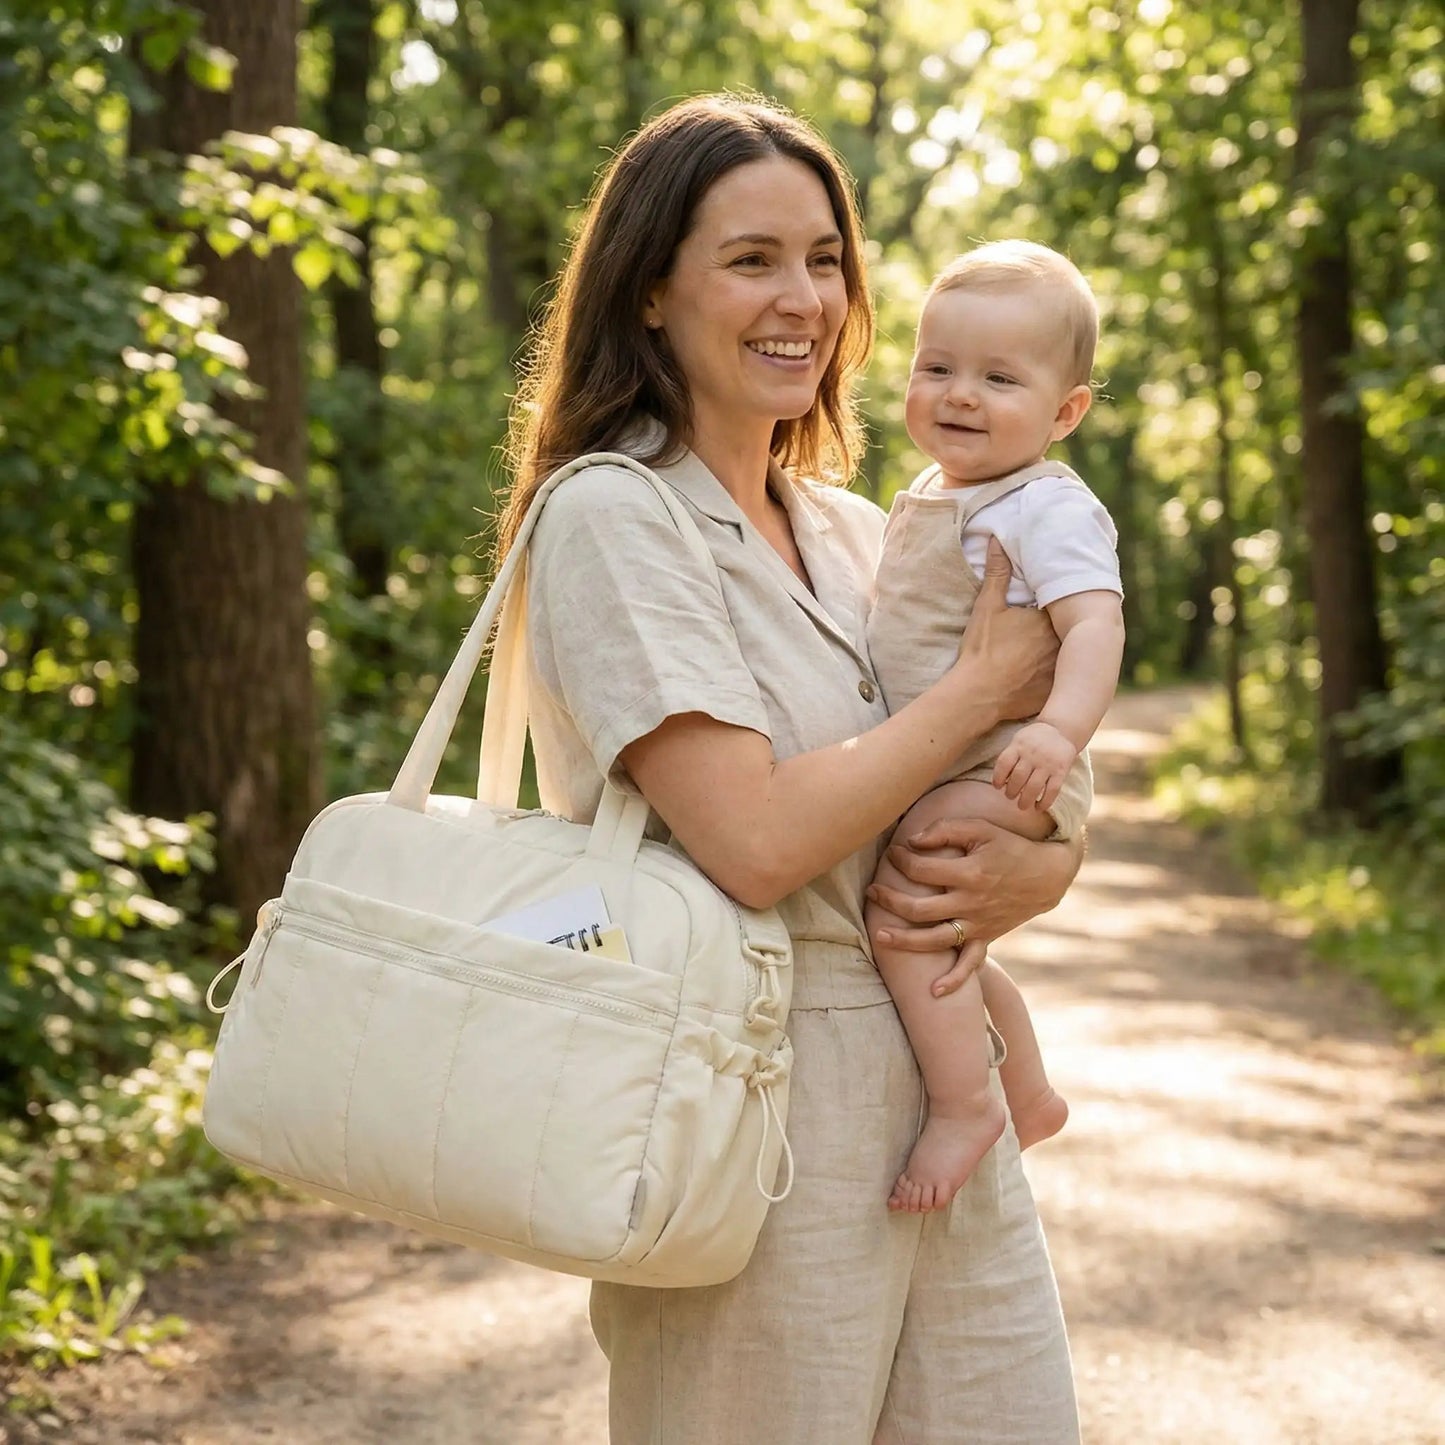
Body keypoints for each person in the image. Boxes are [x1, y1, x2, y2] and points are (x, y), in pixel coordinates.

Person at [496, 94, 1083, 1444]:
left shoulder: (871, 532)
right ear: (650, 292)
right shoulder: (611, 514)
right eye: (751, 259)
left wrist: (1041, 861)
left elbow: (1021, 782)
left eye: (825, 261)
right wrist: (986, 690)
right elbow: (753, 843)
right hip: (744, 1103)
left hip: (944, 1091)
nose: (802, 299)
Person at [864, 241, 1126, 1216]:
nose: (959, 394)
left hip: (1011, 759)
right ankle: (1025, 1081)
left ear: (1064, 412)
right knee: (941, 926)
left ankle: (964, 1100)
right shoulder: (934, 494)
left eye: (997, 378)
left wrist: (1057, 732)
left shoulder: (1042, 506)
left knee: (908, 903)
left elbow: (1094, 623)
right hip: (952, 752)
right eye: (936, 367)